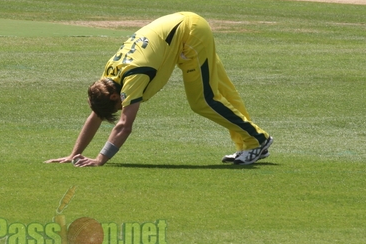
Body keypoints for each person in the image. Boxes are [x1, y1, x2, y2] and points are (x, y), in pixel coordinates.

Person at [46, 12, 273, 168]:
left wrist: (100, 159)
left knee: (203, 100)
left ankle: (257, 139)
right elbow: (96, 114)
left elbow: (124, 126)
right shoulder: (108, 78)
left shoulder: (132, 76)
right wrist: (74, 154)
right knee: (222, 91)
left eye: (118, 104)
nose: (122, 106)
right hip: (181, 30)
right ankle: (249, 146)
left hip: (190, 34)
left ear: (116, 96)